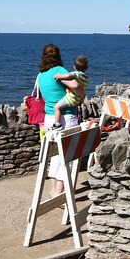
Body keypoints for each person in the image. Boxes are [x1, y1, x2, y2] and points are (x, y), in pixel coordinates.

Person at [35, 44, 79, 198]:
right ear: (58, 56)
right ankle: (58, 195)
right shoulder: (60, 71)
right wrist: (80, 93)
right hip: (66, 116)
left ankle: (53, 191)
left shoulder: (40, 75)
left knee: (54, 157)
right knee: (69, 157)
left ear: (43, 57)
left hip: (49, 118)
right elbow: (74, 84)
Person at [50, 55, 89, 129]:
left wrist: (59, 76)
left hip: (71, 98)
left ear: (74, 67)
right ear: (86, 68)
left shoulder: (77, 74)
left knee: (56, 107)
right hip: (77, 98)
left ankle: (57, 124)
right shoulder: (86, 78)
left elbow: (68, 75)